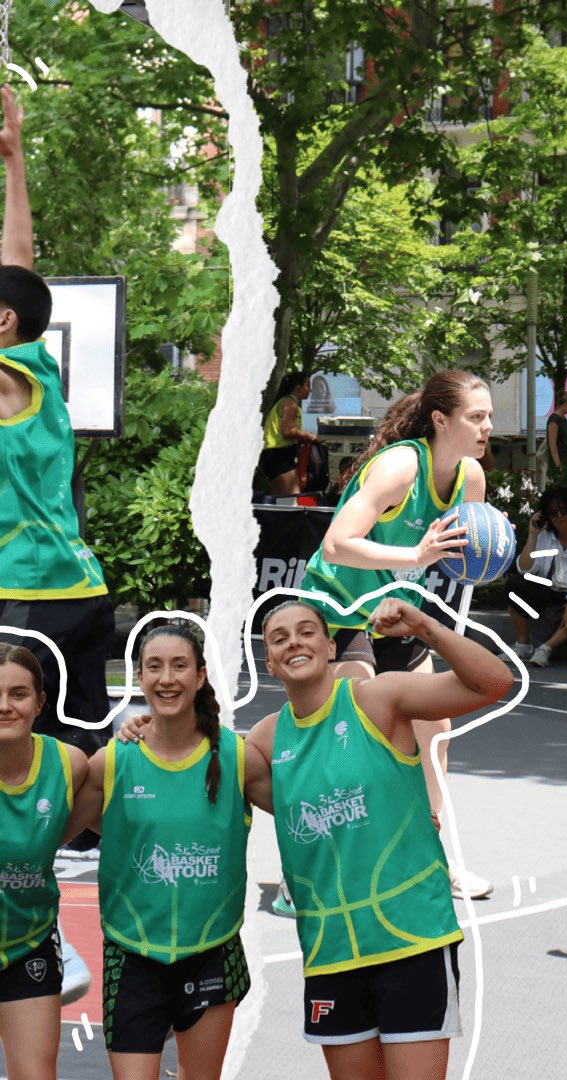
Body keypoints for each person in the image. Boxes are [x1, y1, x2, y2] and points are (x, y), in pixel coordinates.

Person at [246, 598, 513, 1079]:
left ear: (331, 646)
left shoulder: (377, 698)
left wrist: (427, 628)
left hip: (411, 938)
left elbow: (494, 683)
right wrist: (141, 729)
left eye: (306, 631)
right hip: (332, 950)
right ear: (268, 661)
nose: (294, 642)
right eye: (279, 637)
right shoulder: (264, 741)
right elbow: (195, 773)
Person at [300, 370, 496, 900]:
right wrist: (415, 555)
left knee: (437, 732)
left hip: (396, 606)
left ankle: (438, 859)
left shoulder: (470, 479)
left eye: (489, 417)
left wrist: (488, 554)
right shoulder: (400, 466)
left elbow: (462, 555)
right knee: (351, 734)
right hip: (339, 605)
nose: (487, 427)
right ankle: (311, 867)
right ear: (441, 420)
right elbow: (338, 543)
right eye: (475, 417)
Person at [0, 83, 107, 1003]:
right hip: (69, 590)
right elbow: (19, 265)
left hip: (31, 594)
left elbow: (14, 275)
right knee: (68, 770)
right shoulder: (38, 363)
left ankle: (51, 944)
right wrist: (15, 159)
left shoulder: (8, 381)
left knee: (21, 775)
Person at [69, 624, 256, 1079]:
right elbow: (43, 834)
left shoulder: (236, 757)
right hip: (132, 954)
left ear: (200, 676)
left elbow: (305, 804)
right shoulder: (113, 760)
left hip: (211, 949)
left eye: (179, 665)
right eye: (154, 666)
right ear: (139, 676)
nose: (167, 678)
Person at [0, 644, 89, 1080]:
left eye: (18, 694)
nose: (4, 707)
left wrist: (142, 730)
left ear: (39, 702)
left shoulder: (68, 765)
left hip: (26, 945)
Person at [506, 485, 567, 667]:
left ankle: (546, 648)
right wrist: (533, 535)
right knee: (515, 584)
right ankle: (523, 645)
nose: (559, 517)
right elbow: (524, 568)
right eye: (553, 512)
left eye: (564, 511)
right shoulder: (545, 535)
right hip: (549, 593)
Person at [261, 372, 318, 497]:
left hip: (273, 454)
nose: (310, 390)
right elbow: (287, 431)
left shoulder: (286, 402)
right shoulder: (290, 404)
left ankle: (272, 516)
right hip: (279, 455)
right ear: (298, 387)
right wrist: (308, 436)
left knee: (279, 499)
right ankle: (313, 510)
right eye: (308, 385)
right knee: (294, 498)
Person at [546, 390, 567, 470]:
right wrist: (558, 464)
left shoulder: (563, 419)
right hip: (559, 461)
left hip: (566, 460)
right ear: (566, 404)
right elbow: (552, 444)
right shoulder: (554, 419)